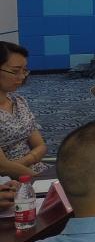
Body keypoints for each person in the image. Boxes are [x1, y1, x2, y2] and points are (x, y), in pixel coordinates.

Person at [0, 41, 48, 177]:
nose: (22, 77)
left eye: (24, 70)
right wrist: (38, 178)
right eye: (15, 71)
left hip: (34, 171)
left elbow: (41, 146)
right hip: (10, 182)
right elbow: (3, 167)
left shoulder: (18, 101)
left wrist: (27, 161)